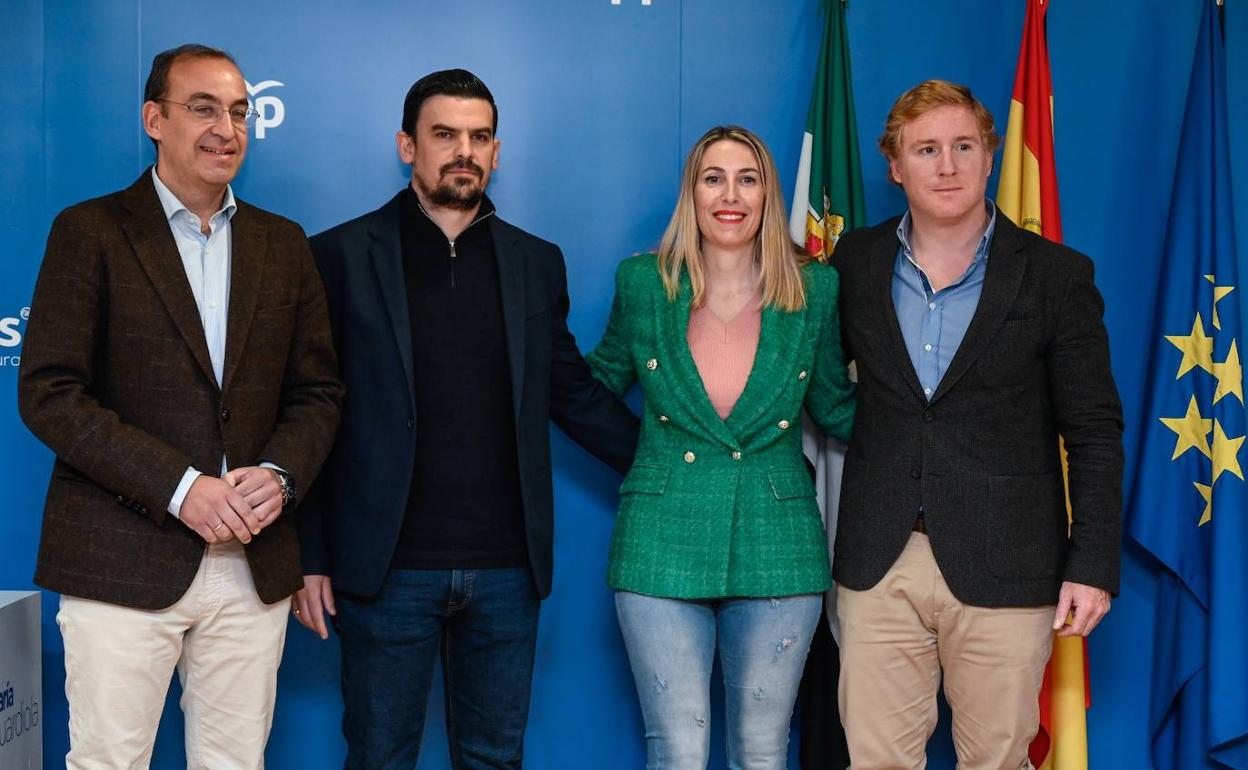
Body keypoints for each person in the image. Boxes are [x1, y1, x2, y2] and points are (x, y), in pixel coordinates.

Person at [293, 68, 638, 769]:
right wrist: (311, 555)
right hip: (385, 568)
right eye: (445, 135)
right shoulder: (337, 257)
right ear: (407, 146)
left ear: (497, 152)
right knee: (379, 757)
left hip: (506, 569)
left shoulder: (535, 262)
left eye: (480, 138)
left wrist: (675, 461)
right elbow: (313, 412)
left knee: (494, 760)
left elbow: (570, 392)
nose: (464, 152)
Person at [17, 43, 343, 769]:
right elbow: (50, 393)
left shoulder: (283, 244)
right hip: (119, 555)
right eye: (203, 109)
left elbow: (318, 392)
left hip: (252, 563)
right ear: (154, 119)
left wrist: (281, 475)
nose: (226, 129)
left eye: (239, 112)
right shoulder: (90, 231)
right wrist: (180, 486)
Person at [830, 79, 1124, 770]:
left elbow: (1093, 430)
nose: (947, 165)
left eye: (964, 147)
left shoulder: (1056, 276)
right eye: (926, 149)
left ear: (990, 158)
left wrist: (1093, 566)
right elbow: (808, 378)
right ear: (895, 166)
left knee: (997, 760)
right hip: (880, 559)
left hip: (1009, 563)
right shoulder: (854, 265)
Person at [587, 125, 856, 770]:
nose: (730, 195)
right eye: (714, 179)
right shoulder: (643, 283)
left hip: (779, 543)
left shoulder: (815, 288)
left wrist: (935, 420)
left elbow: (832, 404)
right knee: (678, 752)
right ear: (692, 193)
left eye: (748, 179)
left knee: (761, 752)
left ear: (767, 195)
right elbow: (594, 387)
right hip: (660, 539)